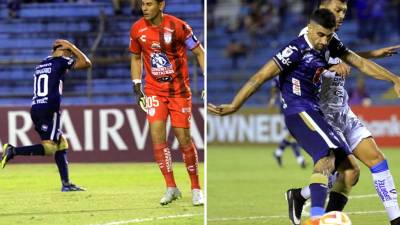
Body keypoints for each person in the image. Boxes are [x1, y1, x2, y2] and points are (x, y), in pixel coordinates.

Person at [209, 8, 360, 222]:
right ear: (309, 28)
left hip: (317, 111)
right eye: (320, 35)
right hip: (299, 110)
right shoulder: (295, 49)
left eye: (329, 35)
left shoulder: (327, 47)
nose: (325, 41)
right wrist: (235, 105)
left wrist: (335, 65)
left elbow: (351, 61)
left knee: (350, 171)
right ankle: (317, 219)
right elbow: (260, 76)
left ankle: (299, 196)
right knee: (326, 158)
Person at [285, 1, 400, 225]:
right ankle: (312, 207)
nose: (342, 15)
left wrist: (375, 58)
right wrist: (328, 69)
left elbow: (346, 58)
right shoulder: (310, 37)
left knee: (376, 160)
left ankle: (395, 219)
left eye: (345, 11)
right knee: (349, 172)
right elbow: (304, 70)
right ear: (322, 8)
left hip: (343, 113)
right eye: (338, 10)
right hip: (323, 116)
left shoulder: (333, 41)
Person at [129, 0, 205, 206]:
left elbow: (199, 52)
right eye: (142, 4)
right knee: (157, 139)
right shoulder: (137, 29)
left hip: (179, 92)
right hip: (154, 91)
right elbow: (136, 57)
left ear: (161, 5)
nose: (144, 8)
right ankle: (171, 187)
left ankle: (196, 188)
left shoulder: (179, 26)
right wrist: (137, 86)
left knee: (183, 139)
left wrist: (206, 80)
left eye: (149, 4)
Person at [1, 39, 92, 192]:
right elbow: (86, 63)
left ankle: (66, 183)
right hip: (50, 108)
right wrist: (73, 47)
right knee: (50, 148)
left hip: (36, 107)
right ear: (62, 50)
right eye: (68, 51)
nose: (71, 54)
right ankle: (13, 150)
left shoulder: (41, 65)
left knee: (61, 143)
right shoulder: (61, 61)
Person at [268, 78, 306, 169]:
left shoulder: (296, 74)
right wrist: (273, 100)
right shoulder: (280, 76)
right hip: (285, 109)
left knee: (292, 135)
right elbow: (274, 88)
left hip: (296, 108)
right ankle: (300, 160)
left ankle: (278, 153)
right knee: (292, 135)